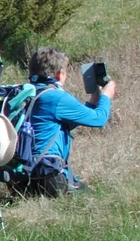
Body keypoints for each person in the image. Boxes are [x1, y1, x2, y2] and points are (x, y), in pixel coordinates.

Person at [9, 47, 116, 197]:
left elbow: (55, 125)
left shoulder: (22, 94)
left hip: (18, 181)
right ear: (59, 74)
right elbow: (99, 119)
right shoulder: (56, 97)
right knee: (94, 196)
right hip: (48, 179)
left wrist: (93, 102)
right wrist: (106, 96)